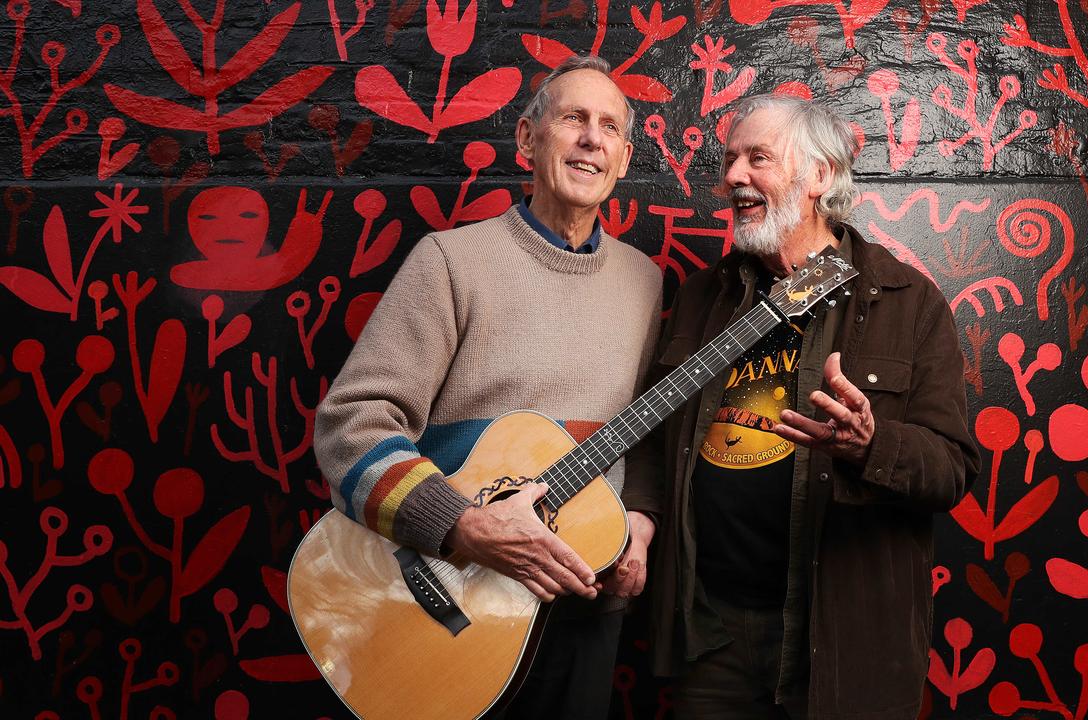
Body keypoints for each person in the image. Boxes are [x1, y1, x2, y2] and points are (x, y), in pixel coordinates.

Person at [313, 55, 661, 718]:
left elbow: (643, 433)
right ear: (528, 140)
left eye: (610, 127)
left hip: (583, 606)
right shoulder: (449, 262)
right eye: (574, 120)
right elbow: (352, 425)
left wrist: (640, 524)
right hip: (449, 598)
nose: (592, 138)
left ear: (622, 159)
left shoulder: (646, 283)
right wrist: (463, 527)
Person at [621, 94, 981, 719]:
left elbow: (951, 469)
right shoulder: (705, 296)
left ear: (820, 176)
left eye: (758, 158)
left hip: (840, 641)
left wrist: (870, 446)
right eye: (730, 159)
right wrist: (641, 518)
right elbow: (657, 433)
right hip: (712, 633)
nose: (733, 176)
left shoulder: (908, 302)